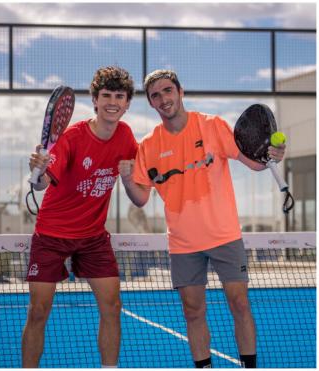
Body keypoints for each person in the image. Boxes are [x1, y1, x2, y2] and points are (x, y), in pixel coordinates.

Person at [119, 69, 286, 368]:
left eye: (168, 90)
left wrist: (274, 154)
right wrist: (129, 181)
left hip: (224, 235)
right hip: (183, 244)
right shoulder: (149, 145)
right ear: (151, 103)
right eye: (156, 95)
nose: (163, 98)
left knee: (240, 304)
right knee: (192, 311)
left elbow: (257, 164)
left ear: (180, 92)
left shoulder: (212, 126)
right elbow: (141, 199)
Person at [23, 66, 138, 368]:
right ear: (95, 101)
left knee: (112, 307)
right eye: (106, 96)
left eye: (120, 96)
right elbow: (41, 182)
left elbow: (142, 179)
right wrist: (36, 170)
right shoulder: (72, 138)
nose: (113, 102)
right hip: (52, 234)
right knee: (38, 310)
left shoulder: (126, 137)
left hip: (93, 238)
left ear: (127, 104)